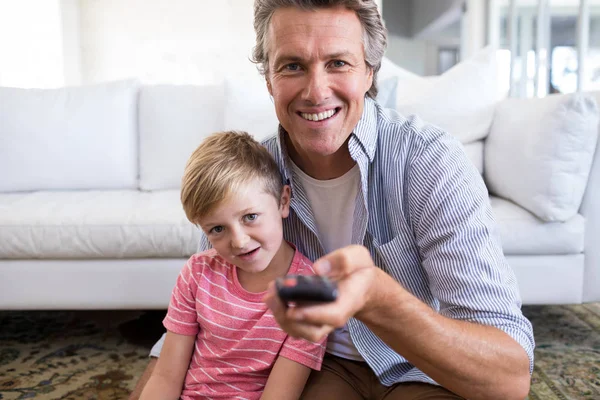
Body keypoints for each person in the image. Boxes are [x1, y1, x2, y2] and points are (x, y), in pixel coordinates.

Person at [131, 1, 535, 399]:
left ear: (369, 71)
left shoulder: (430, 161)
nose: (316, 91)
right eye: (292, 66)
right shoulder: (247, 177)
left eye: (338, 63)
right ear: (269, 79)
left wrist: (376, 298)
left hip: (424, 368)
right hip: (313, 370)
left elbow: (508, 381)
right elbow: (194, 321)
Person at [138, 131, 326, 400]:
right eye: (217, 229)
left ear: (283, 201)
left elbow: (281, 395)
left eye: (250, 216)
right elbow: (166, 376)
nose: (238, 241)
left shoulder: (310, 293)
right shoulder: (197, 273)